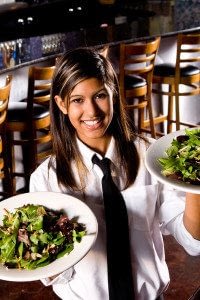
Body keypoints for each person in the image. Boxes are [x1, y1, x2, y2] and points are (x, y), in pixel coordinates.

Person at [29, 47, 200, 300]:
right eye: (77, 100)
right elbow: (56, 275)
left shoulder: (152, 158)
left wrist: (195, 185)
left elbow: (192, 242)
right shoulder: (45, 179)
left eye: (99, 96)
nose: (92, 112)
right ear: (62, 104)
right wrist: (45, 243)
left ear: (114, 94)